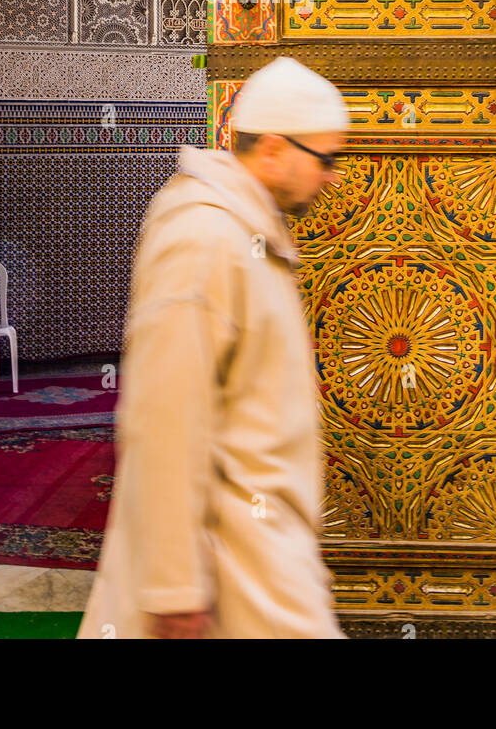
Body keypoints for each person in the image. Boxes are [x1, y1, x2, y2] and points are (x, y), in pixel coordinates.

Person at [77, 56, 350, 640]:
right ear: (274, 149)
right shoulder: (206, 238)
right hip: (234, 570)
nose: (333, 177)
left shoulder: (245, 229)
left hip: (263, 562)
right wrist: (176, 586)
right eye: (325, 159)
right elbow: (163, 417)